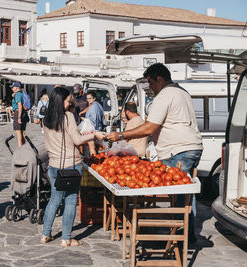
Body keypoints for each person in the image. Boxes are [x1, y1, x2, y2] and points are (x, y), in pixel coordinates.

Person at [102, 63, 203, 240]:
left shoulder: (165, 95)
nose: (149, 87)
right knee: (186, 191)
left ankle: (180, 235)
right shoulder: (182, 92)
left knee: (179, 194)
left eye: (151, 82)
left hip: (177, 149)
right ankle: (188, 232)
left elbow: (149, 127)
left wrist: (120, 135)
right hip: (192, 146)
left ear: (160, 79)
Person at [41, 86, 104, 247]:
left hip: (54, 166)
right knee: (70, 201)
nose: (71, 103)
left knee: (54, 200)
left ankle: (45, 234)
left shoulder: (46, 118)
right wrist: (94, 135)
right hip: (70, 166)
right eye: (69, 101)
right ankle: (66, 238)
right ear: (61, 101)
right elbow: (77, 140)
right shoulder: (67, 117)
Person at [11, 82, 29, 147]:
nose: (12, 88)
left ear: (16, 87)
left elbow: (19, 105)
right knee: (22, 132)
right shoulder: (21, 93)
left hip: (18, 112)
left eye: (13, 87)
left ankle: (20, 148)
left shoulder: (18, 94)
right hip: (23, 113)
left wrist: (19, 117)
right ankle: (24, 147)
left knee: (18, 132)